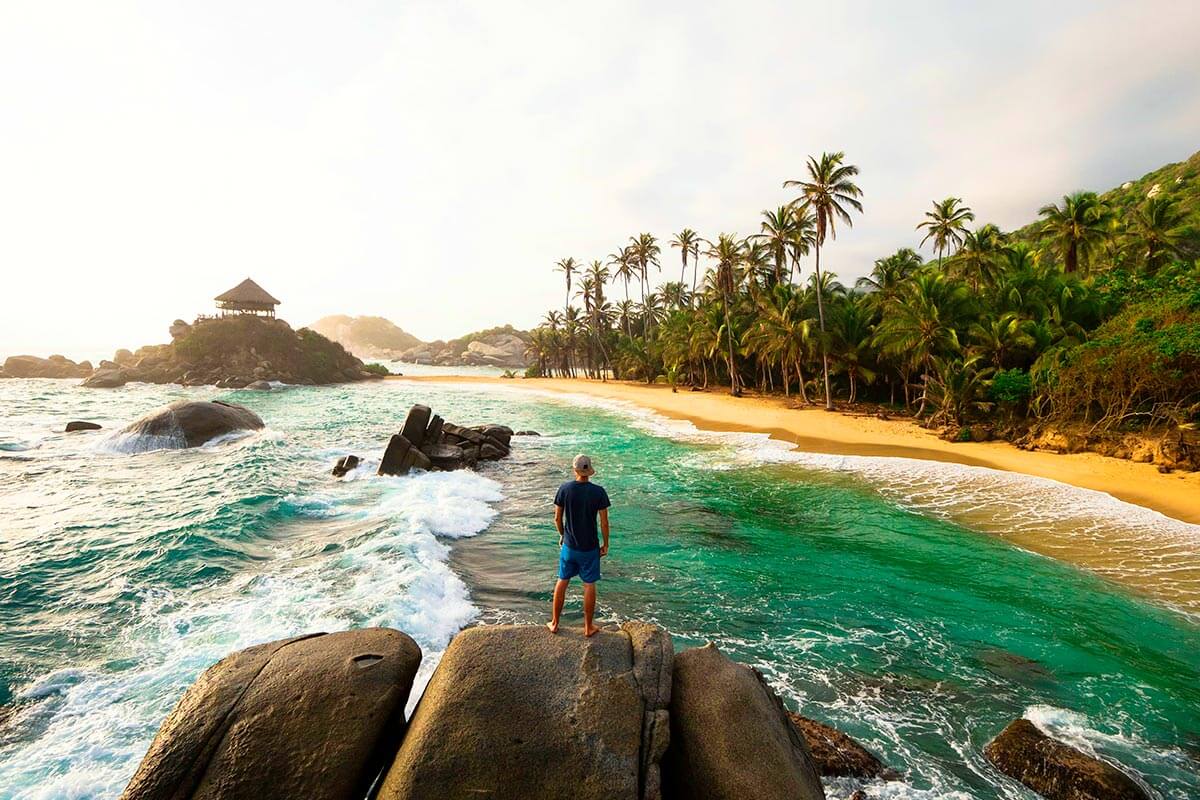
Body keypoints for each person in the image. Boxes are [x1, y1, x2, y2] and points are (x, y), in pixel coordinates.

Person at [547, 454, 611, 636]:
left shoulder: (565, 489)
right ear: (589, 471)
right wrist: (606, 544)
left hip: (569, 547)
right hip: (590, 548)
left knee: (562, 581)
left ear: (574, 469)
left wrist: (562, 535)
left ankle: (554, 623)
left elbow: (557, 518)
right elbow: (604, 523)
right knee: (589, 584)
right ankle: (588, 627)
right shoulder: (599, 492)